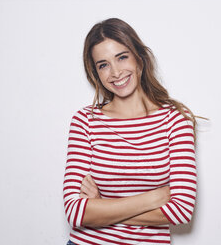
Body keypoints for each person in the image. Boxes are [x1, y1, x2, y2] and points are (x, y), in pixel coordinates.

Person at [63, 18, 198, 245]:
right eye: (103, 64)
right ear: (95, 72)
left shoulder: (174, 118)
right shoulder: (85, 120)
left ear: (140, 58)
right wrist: (153, 198)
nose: (115, 72)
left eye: (122, 57)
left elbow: (182, 210)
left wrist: (101, 206)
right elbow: (76, 213)